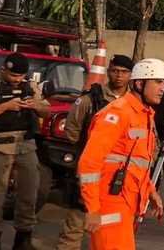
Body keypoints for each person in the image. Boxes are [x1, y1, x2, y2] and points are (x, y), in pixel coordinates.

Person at [77, 58, 164, 250]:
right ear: (139, 83)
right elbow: (89, 162)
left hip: (127, 202)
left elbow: (136, 162)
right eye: (158, 82)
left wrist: (151, 191)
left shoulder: (144, 115)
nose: (163, 88)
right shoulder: (118, 113)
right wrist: (93, 208)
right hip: (110, 203)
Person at [54, 54, 134, 250]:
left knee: (112, 231)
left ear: (130, 76)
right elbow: (71, 130)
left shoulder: (134, 103)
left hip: (119, 178)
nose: (119, 76)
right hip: (92, 171)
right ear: (108, 72)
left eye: (124, 72)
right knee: (76, 224)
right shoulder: (91, 99)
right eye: (115, 71)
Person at [0, 52, 50, 250]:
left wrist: (35, 105)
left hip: (26, 147)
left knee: (28, 196)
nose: (17, 80)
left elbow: (47, 110)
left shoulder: (29, 85)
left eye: (21, 76)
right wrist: (5, 106)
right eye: (14, 76)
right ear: (4, 70)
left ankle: (23, 240)